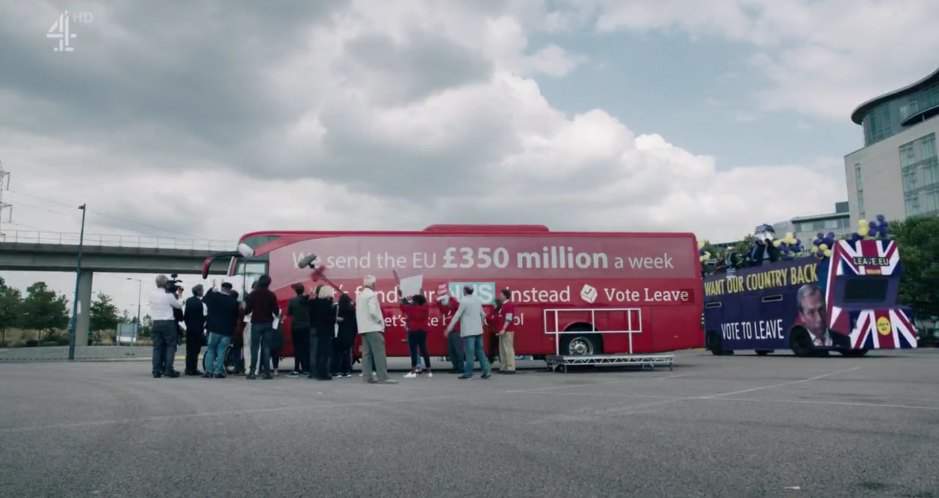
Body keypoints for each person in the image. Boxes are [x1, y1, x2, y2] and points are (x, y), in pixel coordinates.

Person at [355, 275, 397, 384]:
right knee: (379, 353)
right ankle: (383, 377)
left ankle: (367, 377)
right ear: (373, 284)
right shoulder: (372, 295)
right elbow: (373, 311)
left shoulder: (360, 295)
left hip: (363, 328)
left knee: (366, 354)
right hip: (373, 327)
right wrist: (379, 321)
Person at [445, 286, 491, 380]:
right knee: (480, 352)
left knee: (469, 353)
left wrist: (449, 328)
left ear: (465, 291)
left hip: (469, 331)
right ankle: (486, 371)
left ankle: (468, 372)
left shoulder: (464, 301)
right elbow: (483, 314)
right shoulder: (477, 300)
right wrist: (482, 324)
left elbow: (457, 315)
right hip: (478, 330)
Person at [244, 274, 280, 380]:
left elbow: (247, 311)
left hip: (256, 323)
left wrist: (245, 308)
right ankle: (267, 372)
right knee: (266, 348)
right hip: (268, 323)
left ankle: (252, 372)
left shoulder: (253, 294)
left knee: (254, 348)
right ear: (269, 283)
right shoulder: (271, 295)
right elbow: (276, 311)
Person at [202, 282, 239, 378]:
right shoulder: (234, 302)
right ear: (230, 290)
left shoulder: (214, 297)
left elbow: (204, 300)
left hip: (213, 329)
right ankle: (218, 371)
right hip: (227, 331)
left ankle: (208, 371)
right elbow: (236, 317)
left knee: (210, 350)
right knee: (222, 351)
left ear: (222, 288)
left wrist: (211, 290)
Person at [149, 275, 183, 378]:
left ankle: (156, 370)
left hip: (155, 322)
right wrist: (180, 295)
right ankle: (169, 370)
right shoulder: (168, 295)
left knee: (157, 347)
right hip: (168, 322)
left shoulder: (152, 294)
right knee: (170, 346)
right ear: (165, 283)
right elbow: (178, 305)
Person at [796, 284, 850, 348]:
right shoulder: (801, 344)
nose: (819, 318)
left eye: (821, 309)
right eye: (811, 312)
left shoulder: (845, 340)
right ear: (802, 316)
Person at [400, 290, 431, 378]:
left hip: (413, 330)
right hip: (423, 330)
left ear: (415, 301)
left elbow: (402, 306)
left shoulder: (411, 308)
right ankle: (429, 370)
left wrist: (402, 296)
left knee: (413, 351)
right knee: (424, 349)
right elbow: (425, 301)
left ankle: (413, 371)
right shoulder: (425, 307)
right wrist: (422, 293)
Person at [310, 285, 337, 381]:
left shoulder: (315, 303)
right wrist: (335, 317)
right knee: (326, 353)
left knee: (319, 352)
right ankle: (324, 373)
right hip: (327, 330)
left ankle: (318, 372)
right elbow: (328, 318)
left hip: (319, 329)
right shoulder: (328, 304)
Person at [286, 283, 311, 376]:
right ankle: (306, 368)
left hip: (296, 327)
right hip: (307, 326)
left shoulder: (292, 301)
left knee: (297, 348)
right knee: (306, 347)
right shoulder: (307, 300)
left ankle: (297, 368)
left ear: (295, 291)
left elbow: (289, 313)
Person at [183, 284, 206, 376]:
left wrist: (188, 325)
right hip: (198, 330)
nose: (203, 291)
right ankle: (193, 369)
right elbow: (202, 317)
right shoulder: (200, 303)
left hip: (190, 329)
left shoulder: (188, 301)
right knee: (196, 350)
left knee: (189, 350)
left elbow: (186, 316)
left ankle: (188, 368)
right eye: (202, 290)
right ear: (199, 291)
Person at [437, 294, 464, 373]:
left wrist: (450, 298)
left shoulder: (455, 308)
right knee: (451, 351)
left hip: (457, 331)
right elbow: (439, 306)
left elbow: (457, 304)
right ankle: (455, 367)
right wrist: (438, 299)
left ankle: (460, 368)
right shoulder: (447, 310)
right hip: (450, 332)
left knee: (458, 350)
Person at [332, 292, 356, 378]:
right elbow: (354, 324)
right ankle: (347, 370)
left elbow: (332, 319)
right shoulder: (352, 310)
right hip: (349, 334)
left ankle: (338, 370)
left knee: (338, 353)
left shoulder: (336, 308)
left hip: (338, 334)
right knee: (348, 353)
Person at [495, 288, 517, 374]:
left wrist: (504, 329)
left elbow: (508, 318)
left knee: (508, 349)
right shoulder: (503, 305)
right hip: (503, 330)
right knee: (502, 349)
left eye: (501, 294)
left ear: (505, 296)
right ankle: (504, 366)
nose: (499, 296)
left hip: (507, 330)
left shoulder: (509, 305)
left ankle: (511, 367)